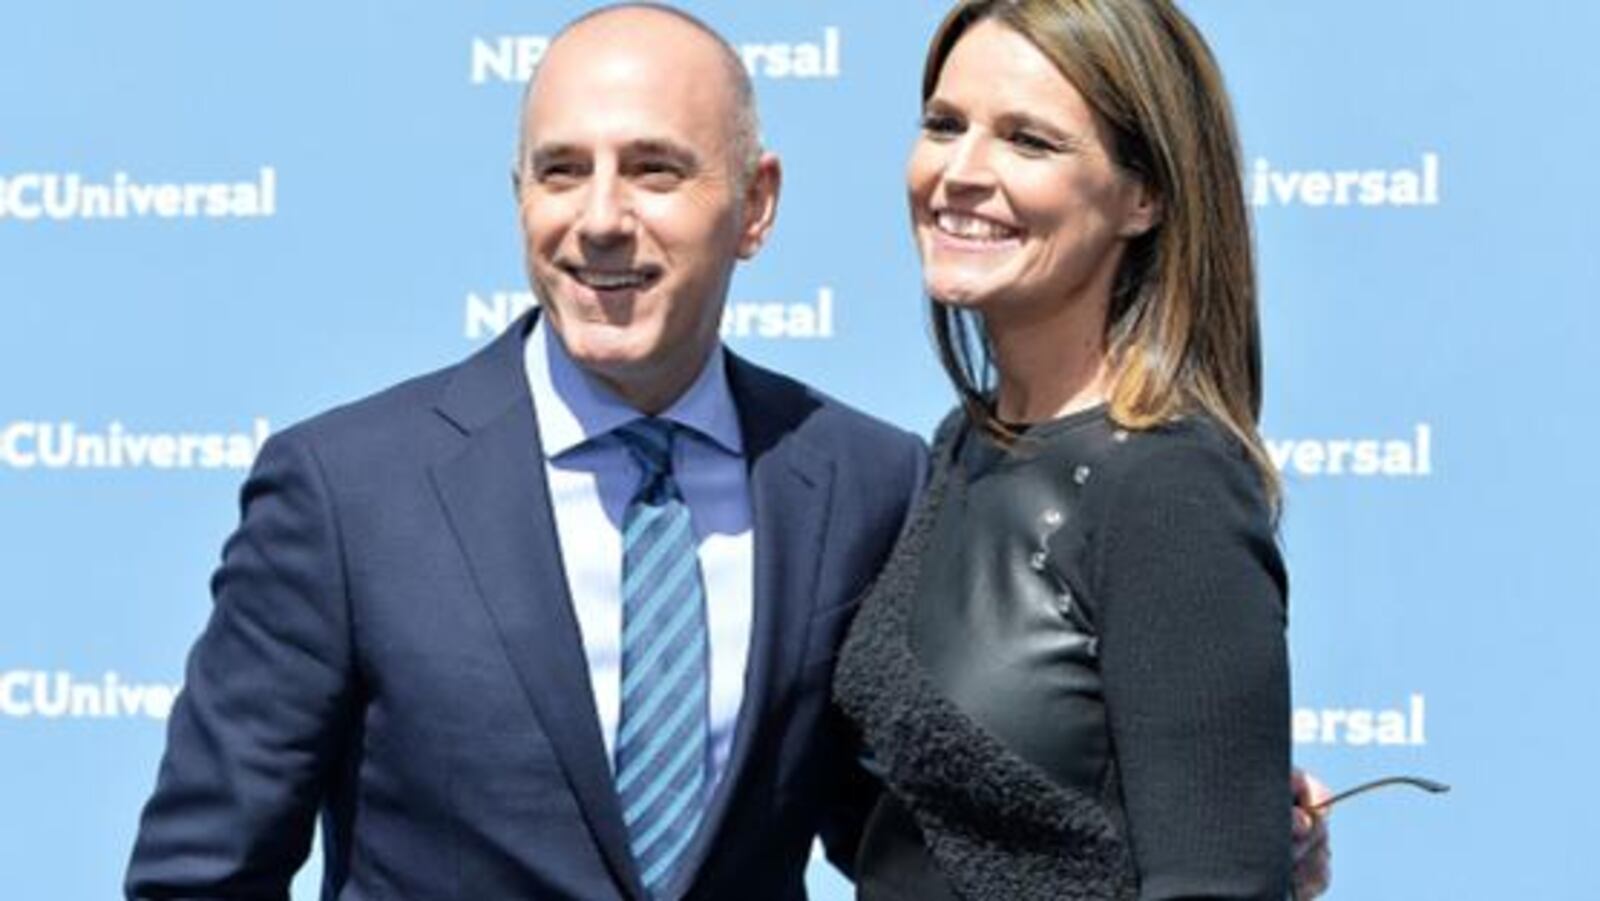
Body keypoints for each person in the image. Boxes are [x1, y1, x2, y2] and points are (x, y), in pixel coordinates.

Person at [126, 4, 1329, 900]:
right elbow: (199, 876)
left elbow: (909, 811)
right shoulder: (346, 492)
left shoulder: (861, 481)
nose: (600, 218)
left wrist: (1205, 821)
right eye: (561, 170)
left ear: (754, 206)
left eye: (655, 168)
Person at [832, 0, 1315, 898]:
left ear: (1146, 195)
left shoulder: (1170, 486)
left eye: (1029, 141)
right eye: (945, 124)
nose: (962, 171)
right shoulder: (962, 447)